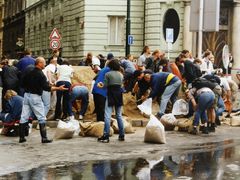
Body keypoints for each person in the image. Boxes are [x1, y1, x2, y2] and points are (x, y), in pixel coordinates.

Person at [19, 57, 68, 143]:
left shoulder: (28, 71)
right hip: (35, 97)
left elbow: (22, 83)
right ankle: (44, 138)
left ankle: (22, 138)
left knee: (23, 117)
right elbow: (46, 88)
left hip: (27, 95)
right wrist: (58, 88)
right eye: (44, 63)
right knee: (41, 118)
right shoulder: (40, 74)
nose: (45, 64)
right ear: (39, 63)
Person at [97, 59, 125, 143]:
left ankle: (106, 136)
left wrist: (99, 85)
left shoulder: (107, 74)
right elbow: (121, 85)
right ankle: (122, 135)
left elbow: (105, 86)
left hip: (110, 95)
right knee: (119, 115)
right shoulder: (121, 74)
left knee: (107, 116)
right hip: (119, 95)